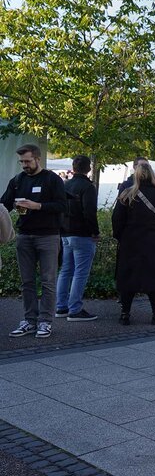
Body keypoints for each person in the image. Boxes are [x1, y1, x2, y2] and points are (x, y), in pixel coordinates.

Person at [4, 144, 67, 339]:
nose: (24, 165)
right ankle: (29, 320)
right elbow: (3, 204)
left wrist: (37, 205)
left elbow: (62, 205)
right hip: (24, 236)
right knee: (27, 281)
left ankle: (45, 322)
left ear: (37, 159)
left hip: (48, 236)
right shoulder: (17, 181)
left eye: (27, 161)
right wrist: (13, 205)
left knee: (48, 281)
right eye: (21, 161)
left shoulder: (52, 179)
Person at [111, 163, 155, 325]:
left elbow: (117, 219)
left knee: (128, 278)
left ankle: (125, 314)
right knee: (154, 277)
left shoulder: (127, 194)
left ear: (136, 175)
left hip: (130, 242)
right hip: (154, 243)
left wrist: (121, 237)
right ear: (152, 175)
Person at [56, 155, 99, 322]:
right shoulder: (88, 187)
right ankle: (75, 309)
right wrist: (94, 231)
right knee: (80, 272)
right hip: (82, 234)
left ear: (73, 168)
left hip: (65, 233)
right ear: (88, 169)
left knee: (66, 270)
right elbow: (89, 212)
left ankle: (61, 307)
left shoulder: (66, 185)